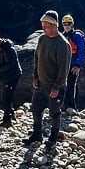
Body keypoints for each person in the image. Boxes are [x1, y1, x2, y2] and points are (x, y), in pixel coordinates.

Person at [30, 10, 70, 147]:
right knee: (36, 109)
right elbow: (37, 58)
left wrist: (57, 87)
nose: (43, 28)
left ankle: (53, 139)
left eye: (46, 25)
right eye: (42, 26)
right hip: (40, 83)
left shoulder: (63, 44)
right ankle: (36, 135)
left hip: (54, 86)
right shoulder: (42, 39)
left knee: (54, 113)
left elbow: (64, 69)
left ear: (54, 25)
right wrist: (35, 77)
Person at [61, 14, 85, 110]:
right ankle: (63, 106)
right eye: (65, 24)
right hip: (63, 66)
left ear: (72, 24)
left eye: (69, 24)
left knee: (71, 85)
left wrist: (77, 65)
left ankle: (72, 106)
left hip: (73, 65)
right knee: (62, 86)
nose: (67, 26)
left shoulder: (78, 36)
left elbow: (81, 51)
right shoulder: (61, 36)